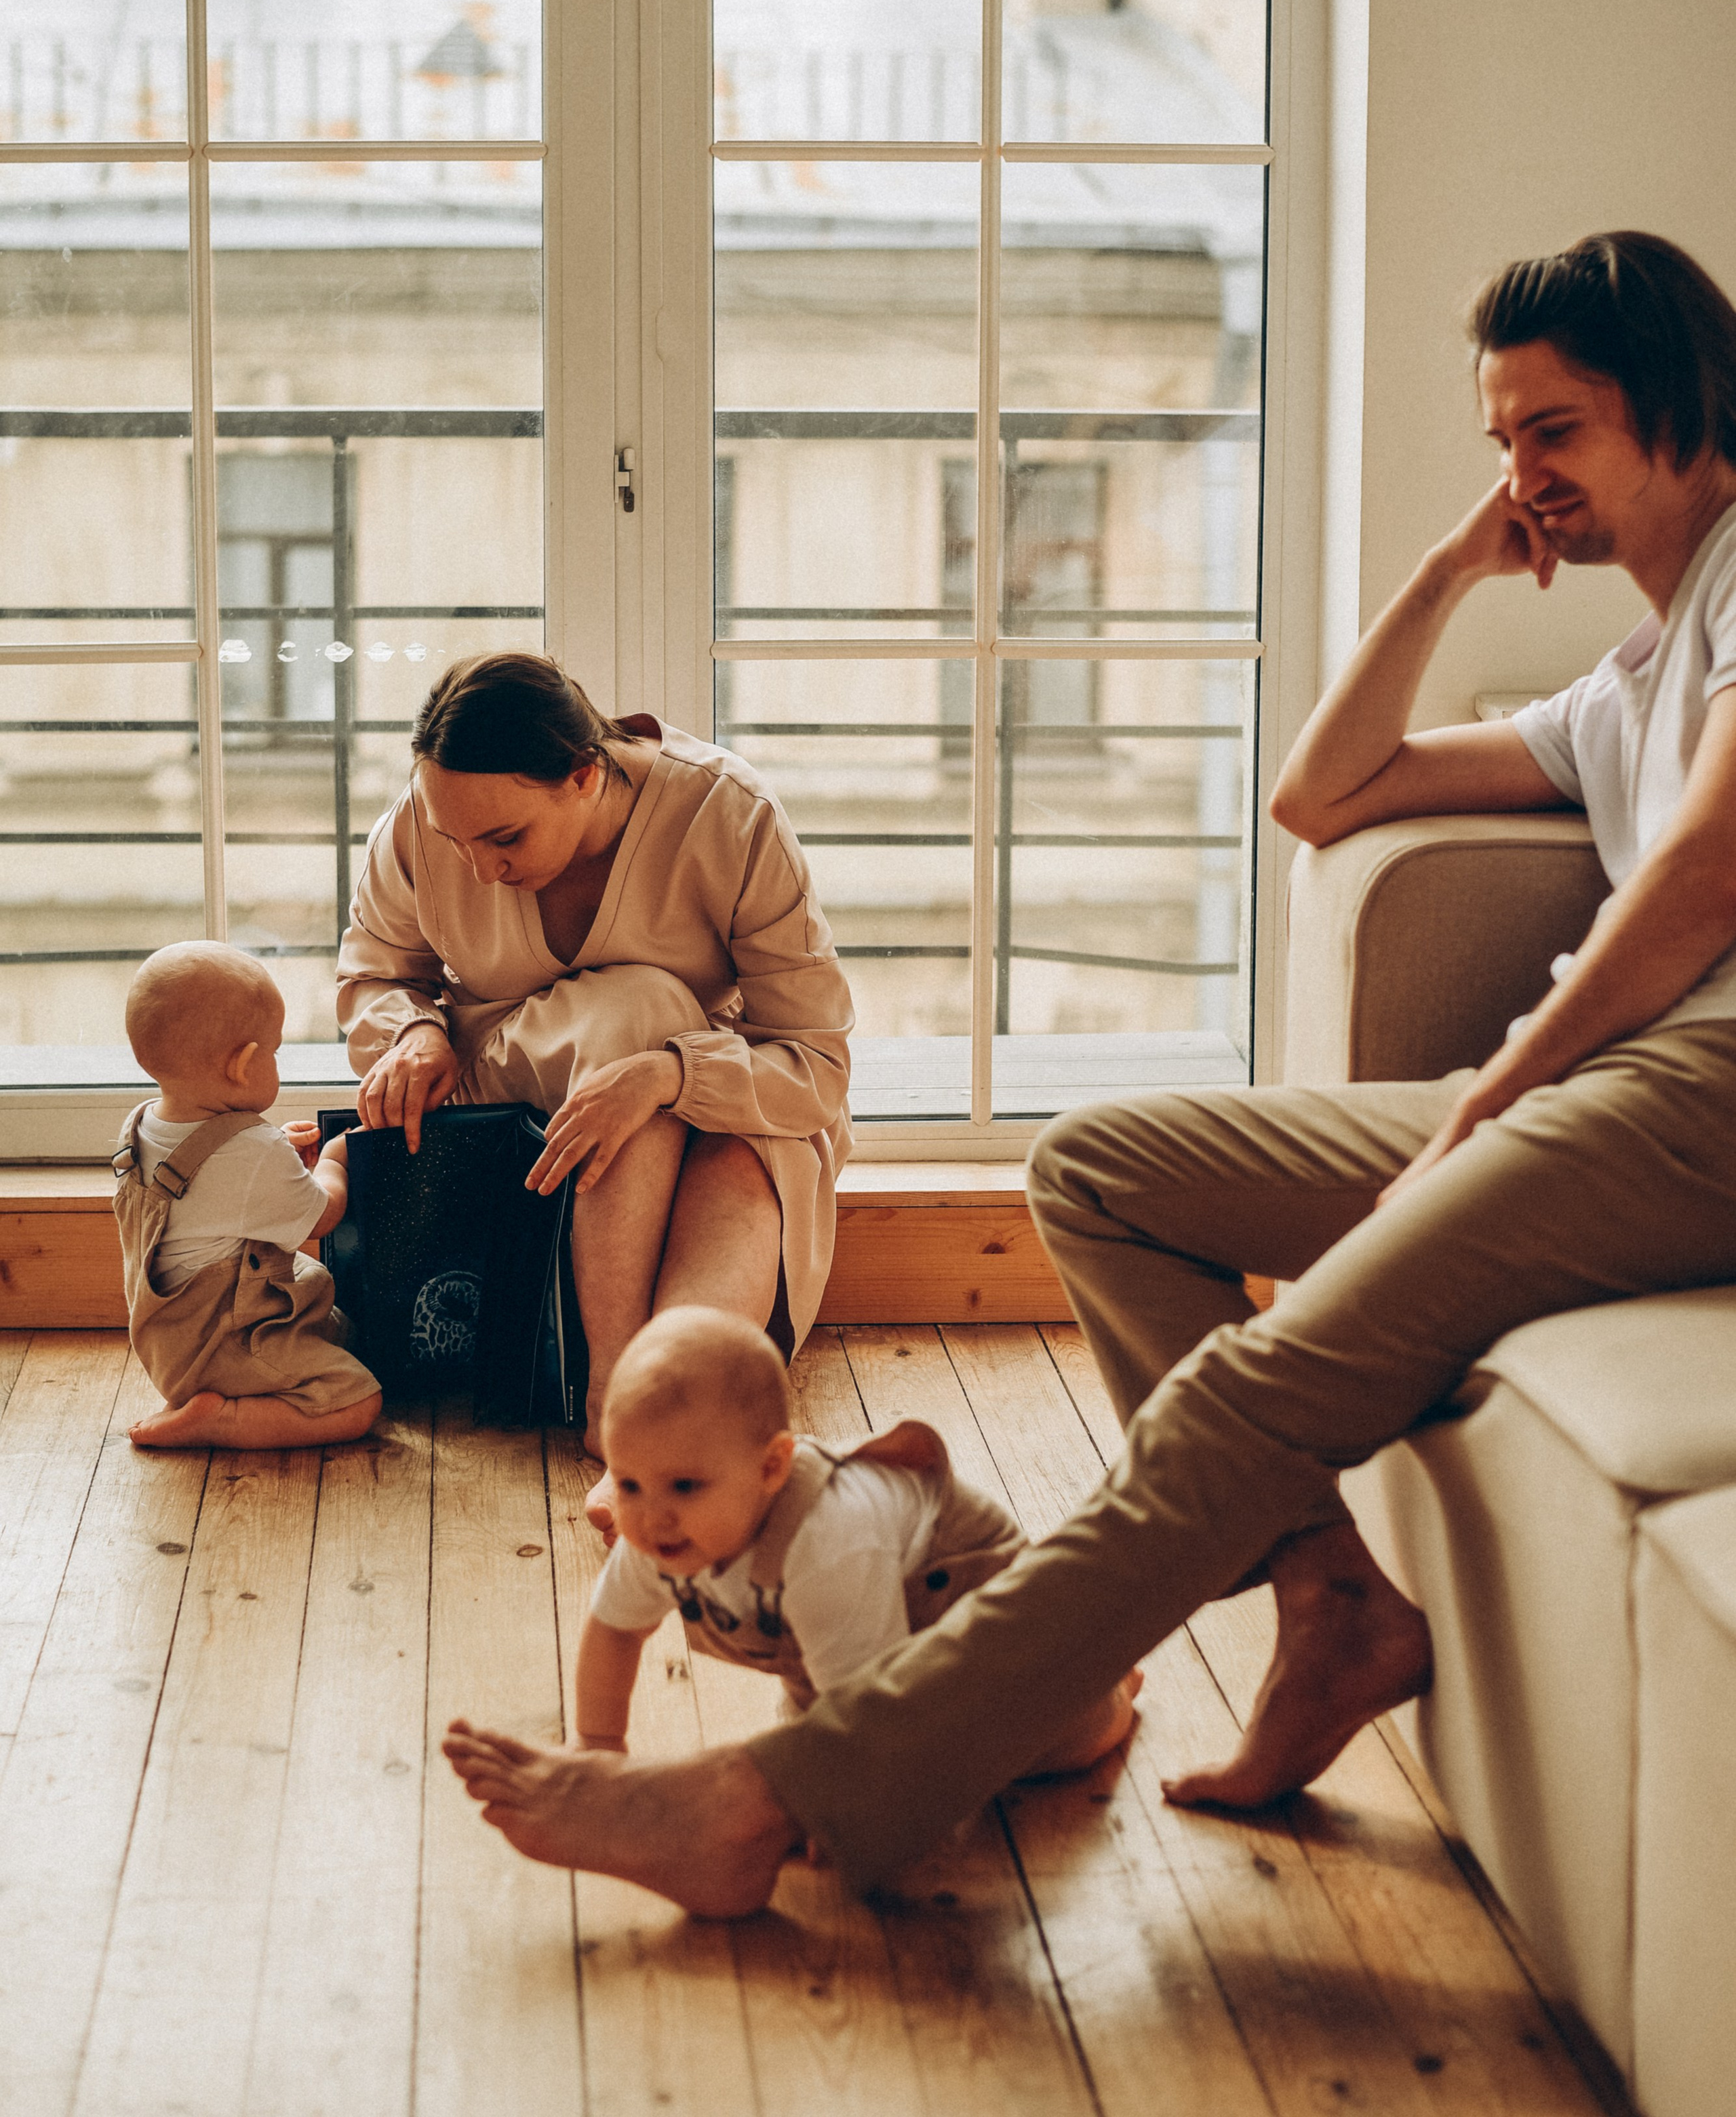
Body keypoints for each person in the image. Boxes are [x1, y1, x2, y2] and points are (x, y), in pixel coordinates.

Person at [429, 230, 1736, 1916]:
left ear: (1684, 407)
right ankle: (1331, 1593)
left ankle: (777, 1801)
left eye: (1551, 431)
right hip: (1603, 1090)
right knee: (1101, 1168)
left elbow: (1700, 878)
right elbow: (1321, 794)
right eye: (1498, 439)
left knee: (1246, 1391)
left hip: (1691, 1093)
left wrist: (1491, 1097)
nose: (1519, 475)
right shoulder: (1630, 675)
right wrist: (1447, 568)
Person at [336, 654, 852, 1457]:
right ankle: (615, 1389)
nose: (481, 871)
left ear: (584, 775)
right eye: (453, 841)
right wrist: (411, 1031)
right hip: (501, 1128)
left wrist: (668, 1076)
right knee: (645, 1006)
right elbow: (374, 975)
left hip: (719, 1109)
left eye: (505, 838)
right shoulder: (419, 821)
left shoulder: (728, 814)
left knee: (740, 1149)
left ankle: (660, 1409)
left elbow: (814, 1063)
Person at [540, 1305, 1139, 1758]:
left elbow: (868, 1716)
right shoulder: (661, 1534)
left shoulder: (828, 1541)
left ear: (772, 1468)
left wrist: (842, 1813)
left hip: (958, 1588)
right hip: (852, 1631)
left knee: (1035, 1742)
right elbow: (616, 1629)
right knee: (818, 1716)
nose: (651, 1516)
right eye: (628, 1484)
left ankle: (1106, 1689)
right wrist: (598, 1743)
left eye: (685, 1486)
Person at [114, 942, 380, 1452]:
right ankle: (222, 1418)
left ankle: (209, 1400)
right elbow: (322, 1217)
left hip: (167, 1345)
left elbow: (214, 1189)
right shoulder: (253, 1152)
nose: (277, 1061)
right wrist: (334, 1160)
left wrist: (276, 1154)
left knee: (342, 1331)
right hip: (225, 1348)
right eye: (275, 1052)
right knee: (358, 1402)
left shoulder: (142, 1126)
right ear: (243, 1066)